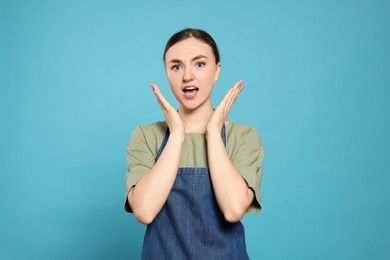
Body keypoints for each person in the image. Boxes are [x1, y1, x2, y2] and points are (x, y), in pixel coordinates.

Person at [124, 28, 264, 259]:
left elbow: (233, 209)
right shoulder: (146, 136)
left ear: (217, 70)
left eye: (199, 64)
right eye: (176, 66)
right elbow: (145, 211)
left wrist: (212, 130)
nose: (187, 75)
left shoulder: (244, 136)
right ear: (166, 72)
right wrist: (177, 132)